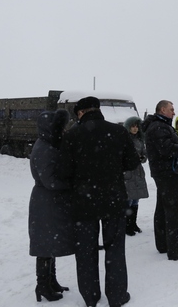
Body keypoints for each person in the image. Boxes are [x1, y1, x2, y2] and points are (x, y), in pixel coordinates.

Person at [59, 97, 140, 307]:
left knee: (85, 251)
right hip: (114, 199)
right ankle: (117, 295)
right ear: (98, 109)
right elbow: (132, 162)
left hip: (83, 202)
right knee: (115, 248)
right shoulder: (118, 131)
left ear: (80, 113)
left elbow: (64, 171)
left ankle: (90, 296)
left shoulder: (72, 135)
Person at [29, 109, 74, 302]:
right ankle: (42, 286)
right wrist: (71, 183)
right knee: (45, 246)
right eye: (60, 127)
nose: (63, 130)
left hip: (49, 201)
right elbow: (51, 181)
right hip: (45, 201)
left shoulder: (48, 144)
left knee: (49, 244)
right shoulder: (44, 148)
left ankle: (51, 281)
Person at [143, 100, 178, 261]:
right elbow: (166, 148)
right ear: (162, 110)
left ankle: (164, 244)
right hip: (168, 174)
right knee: (172, 211)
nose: (174, 112)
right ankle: (173, 248)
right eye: (171, 109)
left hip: (165, 173)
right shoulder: (159, 126)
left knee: (162, 208)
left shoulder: (161, 125)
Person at [122, 116, 149, 236]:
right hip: (128, 172)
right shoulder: (124, 140)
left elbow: (144, 154)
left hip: (138, 172)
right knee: (129, 199)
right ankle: (126, 225)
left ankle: (133, 223)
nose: (135, 128)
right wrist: (132, 158)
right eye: (133, 126)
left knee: (136, 199)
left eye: (137, 126)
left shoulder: (140, 139)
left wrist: (142, 157)